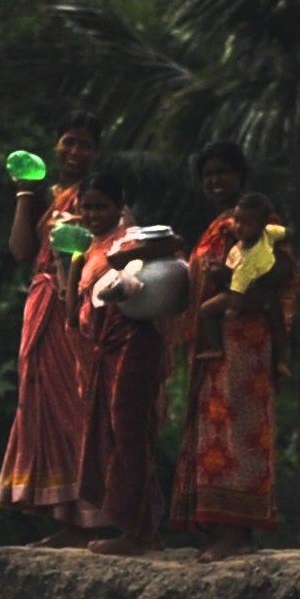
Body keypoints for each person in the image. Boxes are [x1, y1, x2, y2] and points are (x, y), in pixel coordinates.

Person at [170, 140, 297, 560]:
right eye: (207, 175)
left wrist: (239, 286)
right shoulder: (217, 225)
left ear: (241, 175)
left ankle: (240, 534)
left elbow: (284, 273)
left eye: (222, 172)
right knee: (216, 436)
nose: (215, 181)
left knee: (240, 434)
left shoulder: (258, 219)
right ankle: (222, 528)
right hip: (216, 342)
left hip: (247, 339)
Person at [0, 113, 105, 541]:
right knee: (43, 406)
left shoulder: (95, 197)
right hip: (41, 305)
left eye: (85, 145)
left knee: (76, 406)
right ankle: (64, 516)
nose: (75, 152)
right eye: (69, 142)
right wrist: (26, 193)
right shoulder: (51, 196)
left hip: (74, 304)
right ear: (56, 145)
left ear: (96, 153)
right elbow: (22, 250)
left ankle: (89, 516)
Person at [67, 174, 178, 556]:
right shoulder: (88, 248)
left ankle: (136, 532)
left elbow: (172, 244)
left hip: (131, 345)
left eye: (102, 206)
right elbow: (74, 309)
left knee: (130, 434)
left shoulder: (129, 239)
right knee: (114, 436)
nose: (94, 214)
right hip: (104, 352)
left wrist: (124, 256)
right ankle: (142, 527)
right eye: (88, 207)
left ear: (118, 208)